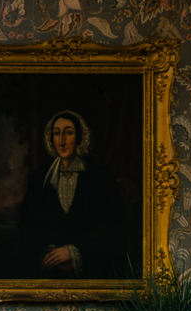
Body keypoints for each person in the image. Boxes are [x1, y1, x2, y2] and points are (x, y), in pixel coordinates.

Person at [15, 111, 129, 279]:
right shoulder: (40, 179)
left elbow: (113, 227)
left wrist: (74, 252)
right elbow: (28, 227)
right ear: (50, 139)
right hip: (48, 275)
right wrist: (49, 254)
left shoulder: (100, 177)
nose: (61, 141)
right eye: (56, 133)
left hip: (92, 274)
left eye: (68, 132)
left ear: (80, 137)